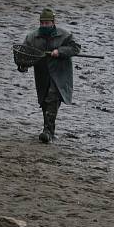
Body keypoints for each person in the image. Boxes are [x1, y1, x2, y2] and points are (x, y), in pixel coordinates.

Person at [18, 9, 81, 143]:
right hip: (42, 74)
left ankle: (47, 131)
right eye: (43, 23)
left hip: (60, 74)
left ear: (53, 22)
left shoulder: (65, 35)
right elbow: (24, 54)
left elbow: (75, 48)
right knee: (45, 101)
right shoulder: (32, 37)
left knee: (53, 97)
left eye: (47, 23)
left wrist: (60, 51)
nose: (45, 25)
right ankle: (49, 131)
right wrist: (23, 65)